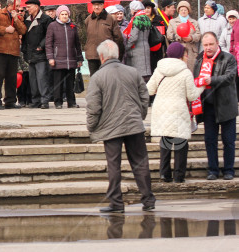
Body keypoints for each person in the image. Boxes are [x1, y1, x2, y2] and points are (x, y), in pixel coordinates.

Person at [86, 39, 155, 213]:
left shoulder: (98, 77)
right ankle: (148, 200)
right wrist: (140, 115)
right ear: (117, 54)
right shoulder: (133, 72)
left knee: (114, 165)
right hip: (133, 125)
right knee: (140, 163)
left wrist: (91, 127)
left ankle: (116, 203)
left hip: (111, 128)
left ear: (102, 57)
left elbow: (94, 106)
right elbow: (144, 97)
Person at [146, 42, 204, 183]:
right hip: (178, 110)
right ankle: (179, 176)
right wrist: (201, 86)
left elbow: (149, 89)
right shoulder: (185, 72)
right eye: (184, 53)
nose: (186, 56)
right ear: (180, 55)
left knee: (165, 141)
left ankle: (164, 174)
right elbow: (191, 95)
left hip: (161, 109)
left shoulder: (159, 70)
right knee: (180, 143)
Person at [193, 32, 238, 180]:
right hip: (208, 106)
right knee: (210, 139)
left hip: (226, 105)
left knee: (228, 140)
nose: (208, 48)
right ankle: (213, 169)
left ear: (217, 43)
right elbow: (195, 80)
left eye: (211, 44)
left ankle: (229, 170)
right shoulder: (200, 59)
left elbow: (230, 77)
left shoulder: (228, 58)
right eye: (205, 45)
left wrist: (210, 80)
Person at [0, 0, 26, 110]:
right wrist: (5, 29)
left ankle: (10, 100)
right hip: (0, 50)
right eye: (17, 6)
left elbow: (23, 30)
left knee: (11, 77)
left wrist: (16, 19)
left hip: (13, 51)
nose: (19, 8)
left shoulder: (18, 17)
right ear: (10, 5)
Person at [45, 5, 82, 109]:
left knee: (70, 83)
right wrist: (51, 57)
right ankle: (58, 102)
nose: (64, 16)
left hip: (71, 59)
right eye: (62, 14)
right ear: (58, 15)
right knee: (58, 83)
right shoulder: (52, 26)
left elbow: (77, 44)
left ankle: (72, 102)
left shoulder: (73, 26)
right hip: (58, 60)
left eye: (66, 14)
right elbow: (48, 44)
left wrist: (79, 58)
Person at [22, 0, 53, 109]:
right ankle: (35, 100)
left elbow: (49, 35)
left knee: (42, 78)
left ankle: (45, 100)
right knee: (33, 79)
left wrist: (41, 46)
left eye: (29, 7)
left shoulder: (46, 19)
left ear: (36, 6)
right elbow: (24, 37)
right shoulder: (27, 20)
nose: (27, 9)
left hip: (41, 54)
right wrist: (24, 50)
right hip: (30, 54)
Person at [83, 0, 125, 77]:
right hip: (92, 55)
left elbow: (118, 38)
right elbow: (88, 36)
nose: (96, 7)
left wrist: (117, 54)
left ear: (103, 6)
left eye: (99, 5)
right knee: (94, 79)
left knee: (107, 79)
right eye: (95, 5)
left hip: (107, 56)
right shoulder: (88, 20)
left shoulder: (110, 19)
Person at [167, 1, 201, 72]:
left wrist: (191, 38)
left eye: (185, 10)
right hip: (178, 49)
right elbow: (169, 35)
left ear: (188, 11)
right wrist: (179, 37)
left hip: (191, 51)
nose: (183, 12)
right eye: (181, 10)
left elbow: (198, 35)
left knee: (191, 71)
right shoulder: (172, 22)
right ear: (178, 11)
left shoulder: (194, 22)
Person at [124, 1, 152, 83]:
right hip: (146, 48)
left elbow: (134, 37)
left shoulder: (136, 19)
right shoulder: (146, 18)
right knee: (146, 75)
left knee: (138, 78)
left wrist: (126, 46)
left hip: (136, 50)